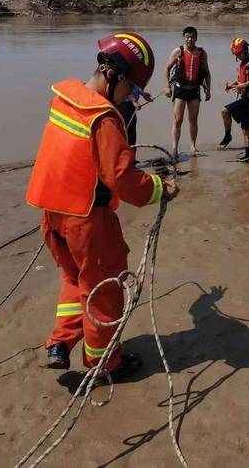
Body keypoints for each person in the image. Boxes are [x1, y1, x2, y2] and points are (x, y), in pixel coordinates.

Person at [26, 32, 179, 379]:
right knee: (103, 290)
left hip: (52, 215)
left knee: (73, 278)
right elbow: (123, 178)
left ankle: (59, 344)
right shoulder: (105, 118)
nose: (132, 97)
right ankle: (104, 364)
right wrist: (160, 188)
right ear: (114, 76)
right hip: (87, 223)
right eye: (133, 89)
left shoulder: (65, 97)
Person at [163, 26, 211, 160]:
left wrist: (208, 90)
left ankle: (192, 146)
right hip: (180, 89)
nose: (190, 39)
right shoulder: (178, 51)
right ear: (184, 37)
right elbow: (166, 68)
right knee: (178, 120)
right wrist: (167, 86)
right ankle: (174, 148)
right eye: (188, 36)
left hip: (195, 89)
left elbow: (207, 73)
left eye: (192, 37)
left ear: (196, 38)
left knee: (193, 120)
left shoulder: (202, 53)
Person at [219, 38, 249, 163]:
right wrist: (232, 85)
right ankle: (248, 156)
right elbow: (241, 80)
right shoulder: (244, 63)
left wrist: (243, 86)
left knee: (225, 111)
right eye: (236, 55)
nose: (238, 57)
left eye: (239, 54)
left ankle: (228, 136)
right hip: (247, 98)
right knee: (246, 128)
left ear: (245, 50)